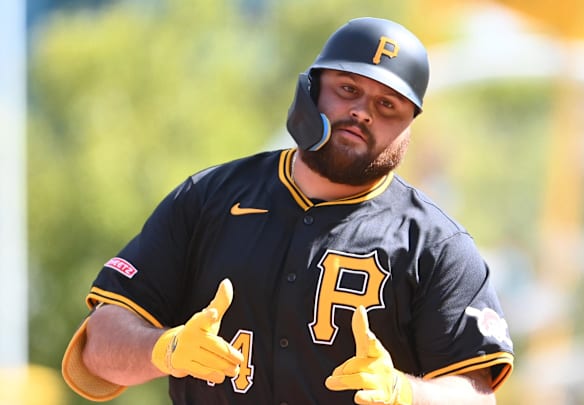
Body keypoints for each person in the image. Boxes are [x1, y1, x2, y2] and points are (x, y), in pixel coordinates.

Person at [61, 16, 514, 404]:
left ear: (408, 128)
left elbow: (477, 395)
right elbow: (98, 345)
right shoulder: (208, 197)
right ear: (311, 90)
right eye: (348, 88)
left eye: (387, 105)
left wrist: (404, 392)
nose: (362, 112)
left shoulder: (436, 245)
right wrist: (166, 348)